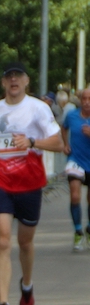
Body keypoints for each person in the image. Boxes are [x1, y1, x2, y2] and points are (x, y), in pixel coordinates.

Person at [0, 61, 63, 305]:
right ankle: (2, 303)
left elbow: (59, 143)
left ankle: (27, 284)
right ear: (3, 82)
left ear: (26, 81)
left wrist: (32, 141)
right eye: (9, 76)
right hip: (1, 180)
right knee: (3, 240)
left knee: (24, 242)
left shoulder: (38, 108)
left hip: (30, 182)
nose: (13, 80)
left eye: (18, 76)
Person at [62, 88, 90, 250]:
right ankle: (78, 231)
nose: (86, 102)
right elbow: (63, 128)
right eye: (84, 99)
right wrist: (65, 144)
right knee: (75, 195)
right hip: (75, 160)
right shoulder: (72, 115)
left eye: (89, 99)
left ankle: (89, 229)